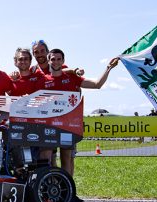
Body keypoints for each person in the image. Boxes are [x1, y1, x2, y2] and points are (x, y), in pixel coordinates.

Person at [43, 49, 119, 183]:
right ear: (48, 61)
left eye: (59, 59)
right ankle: (52, 188)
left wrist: (108, 68)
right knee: (48, 159)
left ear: (63, 61)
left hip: (68, 126)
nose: (56, 62)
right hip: (49, 127)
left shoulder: (72, 78)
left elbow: (97, 84)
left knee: (67, 158)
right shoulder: (43, 80)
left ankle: (67, 190)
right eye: (53, 59)